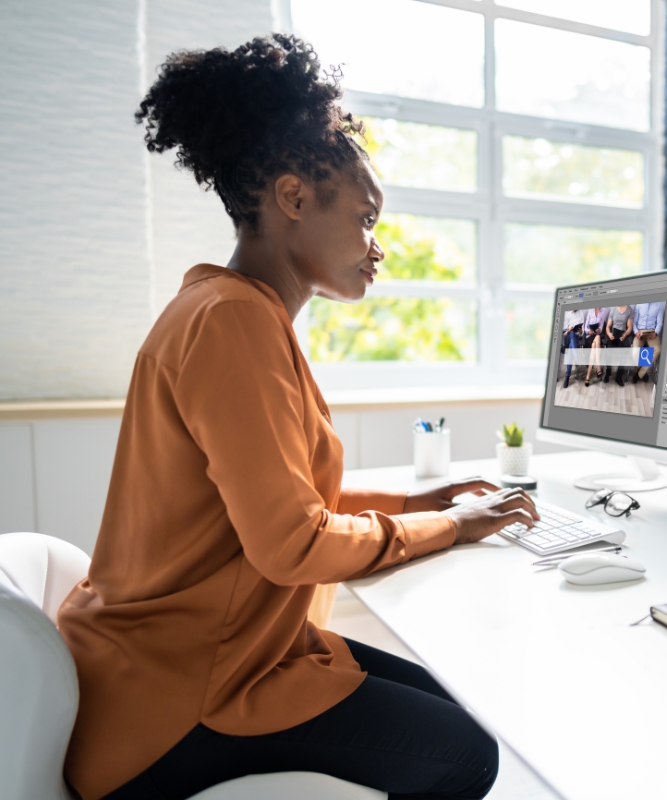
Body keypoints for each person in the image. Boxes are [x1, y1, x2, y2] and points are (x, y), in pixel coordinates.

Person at [55, 35, 538, 800]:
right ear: (292, 198)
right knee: (466, 755)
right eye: (367, 218)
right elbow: (291, 544)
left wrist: (424, 505)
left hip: (204, 656)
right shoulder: (231, 323)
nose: (378, 248)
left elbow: (282, 509)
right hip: (179, 698)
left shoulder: (229, 311)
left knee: (457, 708)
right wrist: (449, 528)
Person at [631, 301, 665, 383]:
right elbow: (634, 322)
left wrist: (656, 332)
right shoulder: (639, 304)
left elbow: (660, 323)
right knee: (635, 352)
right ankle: (642, 372)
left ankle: (639, 374)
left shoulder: (659, 305)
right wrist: (636, 332)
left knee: (658, 350)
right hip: (640, 332)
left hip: (652, 332)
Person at [604, 305, 634, 386]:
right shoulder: (613, 309)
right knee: (608, 351)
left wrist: (624, 335)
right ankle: (608, 372)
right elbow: (608, 326)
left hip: (623, 334)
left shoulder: (629, 309)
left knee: (625, 352)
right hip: (614, 333)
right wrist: (609, 334)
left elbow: (629, 327)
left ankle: (619, 376)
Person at [582, 306, 608, 386]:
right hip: (589, 336)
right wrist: (588, 331)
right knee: (594, 343)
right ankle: (598, 367)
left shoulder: (603, 311)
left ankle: (588, 375)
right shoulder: (590, 310)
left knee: (595, 342)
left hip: (597, 335)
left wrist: (599, 329)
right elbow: (585, 327)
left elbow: (601, 326)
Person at [560, 307, 586, 388]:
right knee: (571, 334)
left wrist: (581, 331)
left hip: (576, 338)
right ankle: (576, 358)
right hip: (568, 337)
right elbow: (563, 333)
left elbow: (582, 331)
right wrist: (569, 330)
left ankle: (567, 376)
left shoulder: (581, 313)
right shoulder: (567, 314)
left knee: (571, 349)